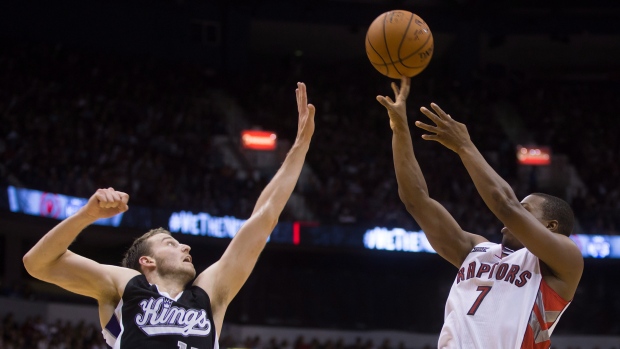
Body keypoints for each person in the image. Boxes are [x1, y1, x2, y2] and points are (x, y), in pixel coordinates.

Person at [23, 82, 316, 349]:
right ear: (146, 261)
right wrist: (87, 215)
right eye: (170, 243)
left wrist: (299, 148)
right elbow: (37, 263)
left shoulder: (208, 294)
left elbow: (263, 219)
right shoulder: (127, 286)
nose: (185, 246)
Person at [377, 77, 583, 348]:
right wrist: (400, 129)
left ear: (551, 226)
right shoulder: (475, 250)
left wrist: (465, 145)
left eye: (526, 210)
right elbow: (416, 200)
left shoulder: (564, 262)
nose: (511, 218)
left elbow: (505, 205)